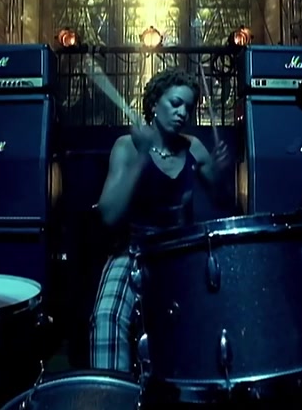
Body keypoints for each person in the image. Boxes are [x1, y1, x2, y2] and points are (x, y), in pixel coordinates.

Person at [89, 67, 230, 372]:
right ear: (154, 103)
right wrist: (142, 156)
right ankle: (111, 396)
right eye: (175, 103)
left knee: (196, 322)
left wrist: (219, 173)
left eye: (188, 108)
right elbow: (108, 215)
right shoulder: (128, 146)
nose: (183, 113)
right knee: (107, 318)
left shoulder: (193, 148)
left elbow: (221, 200)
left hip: (178, 253)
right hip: (132, 251)